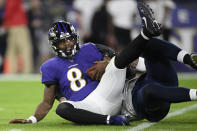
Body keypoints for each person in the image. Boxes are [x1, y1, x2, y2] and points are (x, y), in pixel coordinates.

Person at [9, 2, 197, 125]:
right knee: (62, 108)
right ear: (54, 45)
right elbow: (47, 102)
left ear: (75, 38)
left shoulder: (90, 48)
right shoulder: (49, 66)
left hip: (112, 90)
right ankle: (110, 120)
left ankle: (147, 34)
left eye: (69, 39)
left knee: (116, 63)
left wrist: (107, 65)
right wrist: (32, 119)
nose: (67, 44)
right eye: (62, 41)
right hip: (90, 105)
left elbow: (125, 59)